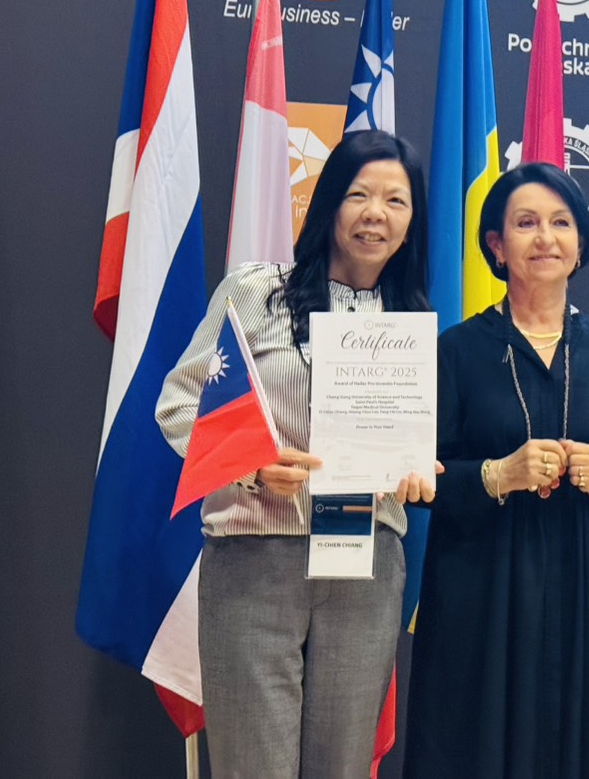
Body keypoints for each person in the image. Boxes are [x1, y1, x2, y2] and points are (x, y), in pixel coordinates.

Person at [156, 130, 435, 778]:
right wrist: (253, 467)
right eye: (359, 195)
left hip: (364, 565)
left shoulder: (409, 322)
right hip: (255, 561)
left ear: (412, 222)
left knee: (343, 767)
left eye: (395, 201)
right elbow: (178, 405)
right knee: (252, 766)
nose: (375, 213)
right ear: (329, 202)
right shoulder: (257, 291)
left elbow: (410, 452)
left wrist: (417, 471)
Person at [404, 162, 589, 779]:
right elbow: (417, 478)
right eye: (526, 224)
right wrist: (495, 475)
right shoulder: (456, 351)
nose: (545, 238)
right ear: (496, 245)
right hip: (478, 588)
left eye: (561, 223)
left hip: (578, 587)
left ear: (580, 245)